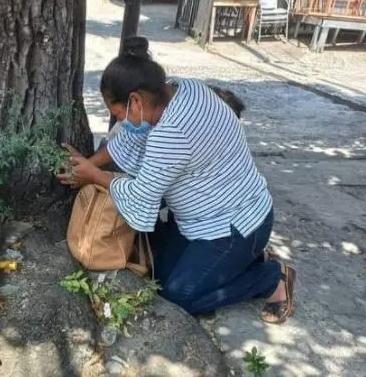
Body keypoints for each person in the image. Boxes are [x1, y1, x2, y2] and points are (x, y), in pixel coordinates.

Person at [57, 37, 297, 324]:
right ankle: (248, 259)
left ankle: (270, 280)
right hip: (211, 220)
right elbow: (129, 140)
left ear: (135, 100)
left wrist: (92, 175)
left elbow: (141, 195)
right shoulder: (186, 89)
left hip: (235, 226)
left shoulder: (170, 135)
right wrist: (87, 163)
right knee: (157, 273)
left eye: (118, 114)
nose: (120, 122)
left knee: (177, 296)